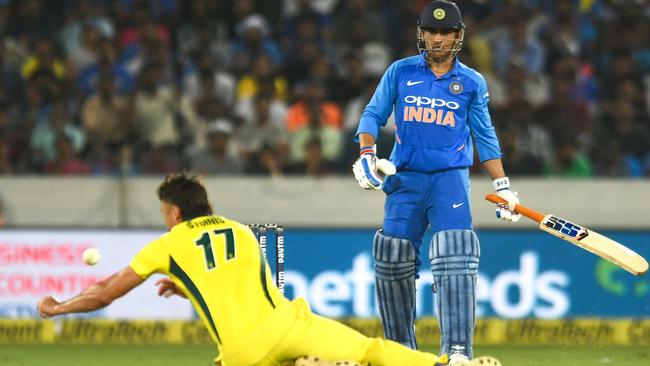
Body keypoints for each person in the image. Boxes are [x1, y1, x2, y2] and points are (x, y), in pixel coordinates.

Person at [37, 173, 455, 366]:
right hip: (292, 326)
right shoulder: (240, 230)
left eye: (165, 211)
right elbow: (241, 281)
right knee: (370, 351)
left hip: (243, 352)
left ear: (175, 211)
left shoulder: (169, 244)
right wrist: (188, 288)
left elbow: (108, 290)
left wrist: (60, 307)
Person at [352, 1, 520, 364]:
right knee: (392, 259)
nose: (439, 39)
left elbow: (485, 136)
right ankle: (400, 353)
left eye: (446, 32)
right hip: (405, 180)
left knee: (456, 255)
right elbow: (371, 116)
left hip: (449, 180)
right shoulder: (400, 72)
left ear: (458, 36)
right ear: (421, 33)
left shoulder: (472, 82)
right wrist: (366, 155)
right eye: (432, 31)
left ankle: (457, 352)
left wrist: (502, 185)